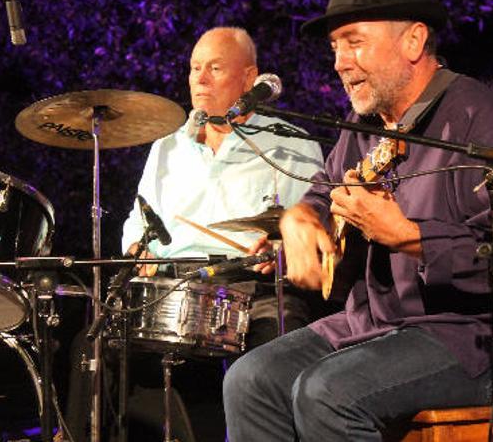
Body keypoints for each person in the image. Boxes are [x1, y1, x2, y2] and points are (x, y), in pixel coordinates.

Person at [223, 0, 493, 441]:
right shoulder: (362, 133)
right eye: (335, 47)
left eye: (355, 41)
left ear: (413, 40)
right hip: (370, 327)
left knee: (327, 391)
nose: (339, 63)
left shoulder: (479, 120)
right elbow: (320, 196)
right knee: (250, 380)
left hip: (470, 339)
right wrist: (301, 219)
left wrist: (409, 237)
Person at [65, 27, 324, 440]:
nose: (199, 79)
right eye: (194, 68)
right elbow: (139, 217)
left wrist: (280, 247)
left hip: (250, 287)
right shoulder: (168, 146)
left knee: (283, 331)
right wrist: (137, 246)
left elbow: (312, 225)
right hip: (175, 286)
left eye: (215, 68)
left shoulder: (291, 145)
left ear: (249, 77)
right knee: (93, 342)